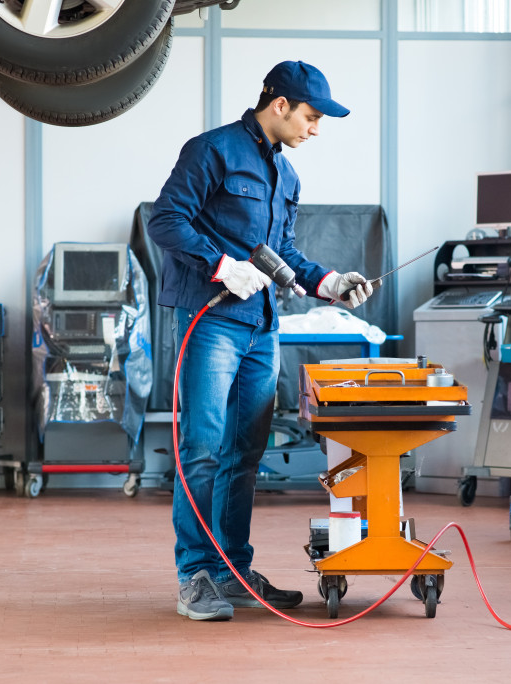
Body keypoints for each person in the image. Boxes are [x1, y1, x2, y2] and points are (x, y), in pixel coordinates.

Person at [147, 61, 374, 621]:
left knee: (245, 453)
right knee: (202, 448)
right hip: (210, 320)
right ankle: (196, 576)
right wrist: (221, 265)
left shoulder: (286, 176)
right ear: (280, 105)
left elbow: (283, 253)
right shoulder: (212, 151)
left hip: (262, 325)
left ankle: (230, 570)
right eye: (312, 117)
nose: (315, 129)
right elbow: (165, 220)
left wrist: (330, 282)